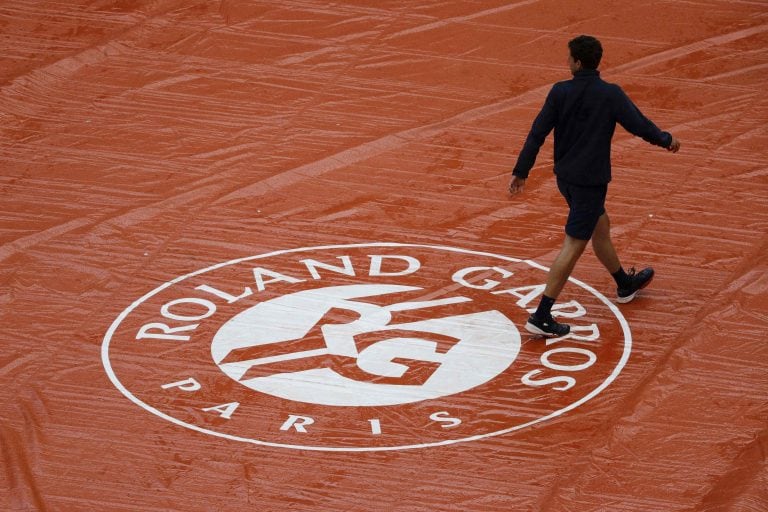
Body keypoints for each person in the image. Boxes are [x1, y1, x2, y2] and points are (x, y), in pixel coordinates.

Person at [508, 35, 681, 337]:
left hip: (567, 180)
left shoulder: (560, 92)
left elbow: (537, 133)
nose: (566, 61)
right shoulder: (610, 94)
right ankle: (542, 314)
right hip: (591, 182)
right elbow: (639, 125)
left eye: (568, 57)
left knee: (600, 225)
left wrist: (522, 170)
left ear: (576, 62)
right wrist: (665, 140)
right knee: (574, 245)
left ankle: (624, 284)